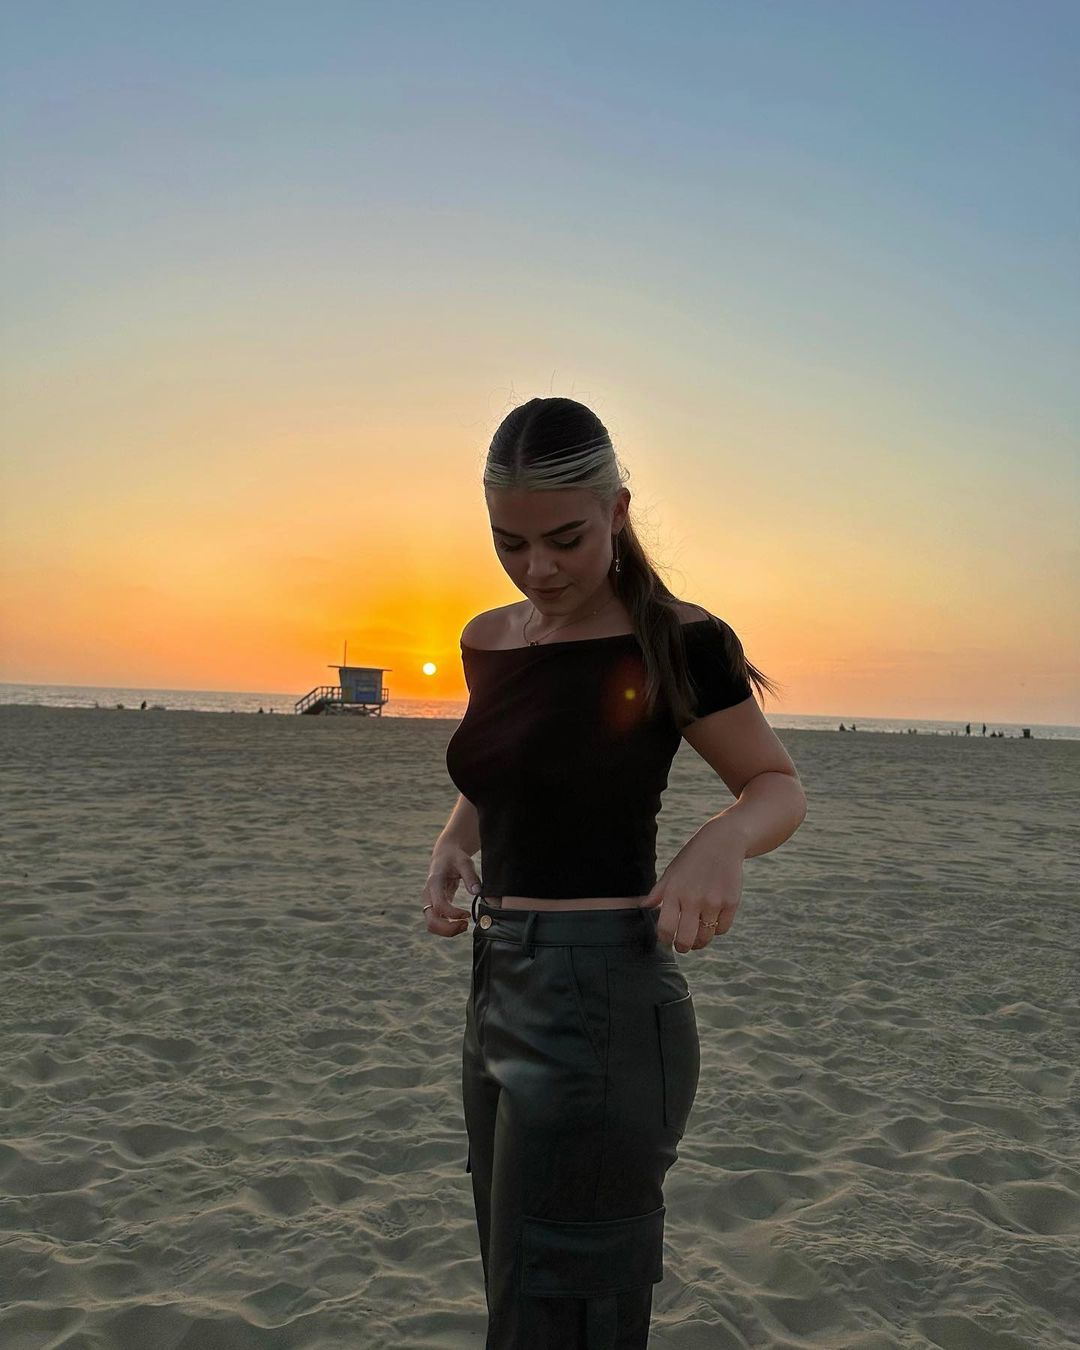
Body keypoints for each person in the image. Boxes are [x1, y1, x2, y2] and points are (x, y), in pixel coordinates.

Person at [426, 397, 807, 1349]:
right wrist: (455, 837)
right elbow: (511, 760)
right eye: (510, 543)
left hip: (601, 995)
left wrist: (722, 839)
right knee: (516, 1289)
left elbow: (775, 785)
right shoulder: (487, 639)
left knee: (569, 1304)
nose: (538, 568)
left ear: (618, 512)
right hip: (494, 980)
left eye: (566, 539)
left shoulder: (677, 639)